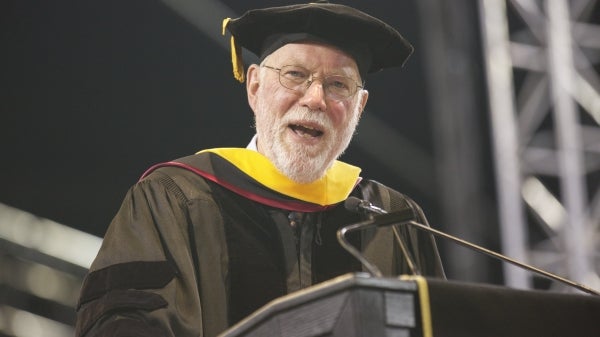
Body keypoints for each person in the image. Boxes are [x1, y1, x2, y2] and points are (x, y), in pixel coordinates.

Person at [75, 2, 445, 337]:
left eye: (338, 85)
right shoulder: (176, 197)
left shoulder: (393, 220)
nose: (315, 98)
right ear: (254, 86)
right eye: (296, 75)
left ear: (359, 107)